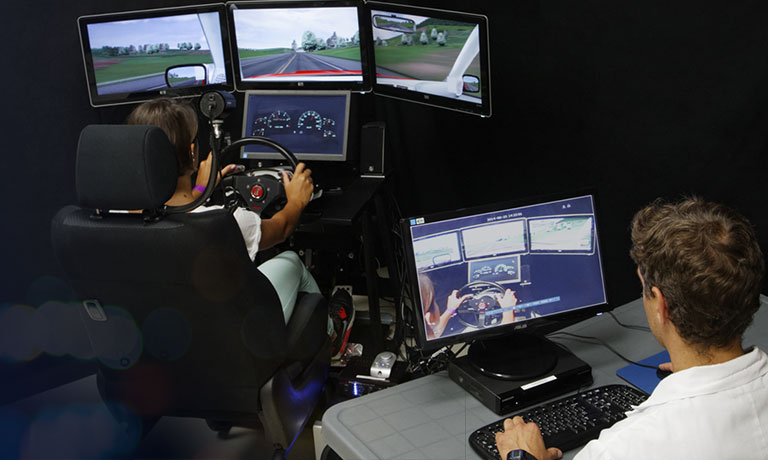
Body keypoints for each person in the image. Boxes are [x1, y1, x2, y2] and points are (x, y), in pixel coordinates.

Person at [495, 197, 768, 460]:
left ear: (662, 305)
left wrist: (522, 456)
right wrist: (696, 369)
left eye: (644, 289)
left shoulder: (623, 449)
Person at [126, 98, 353, 356]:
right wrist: (297, 200)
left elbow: (175, 206)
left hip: (163, 346)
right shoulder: (222, 223)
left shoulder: (115, 219)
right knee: (291, 261)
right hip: (230, 345)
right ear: (192, 153)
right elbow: (283, 227)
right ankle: (334, 337)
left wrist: (200, 189)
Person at [418, 274, 518, 339]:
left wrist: (450, 310)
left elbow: (435, 333)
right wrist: (508, 309)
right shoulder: (428, 328)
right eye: (434, 301)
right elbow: (503, 340)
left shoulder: (425, 334)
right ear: (428, 316)